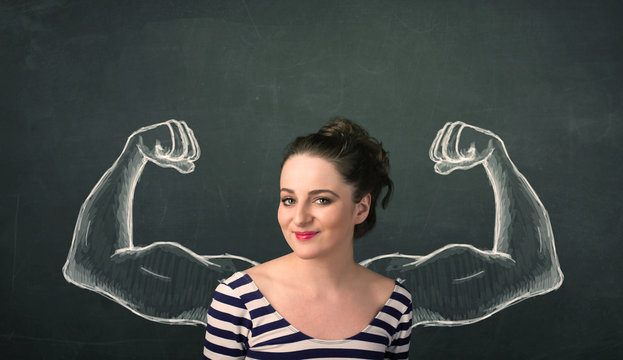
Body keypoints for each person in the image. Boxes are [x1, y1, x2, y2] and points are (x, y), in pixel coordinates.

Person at [63, 118, 563, 359]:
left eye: (322, 199)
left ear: (360, 207)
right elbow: (91, 262)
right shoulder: (234, 293)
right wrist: (133, 153)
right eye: (287, 197)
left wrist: (497, 157)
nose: (298, 216)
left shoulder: (397, 297)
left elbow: (535, 270)